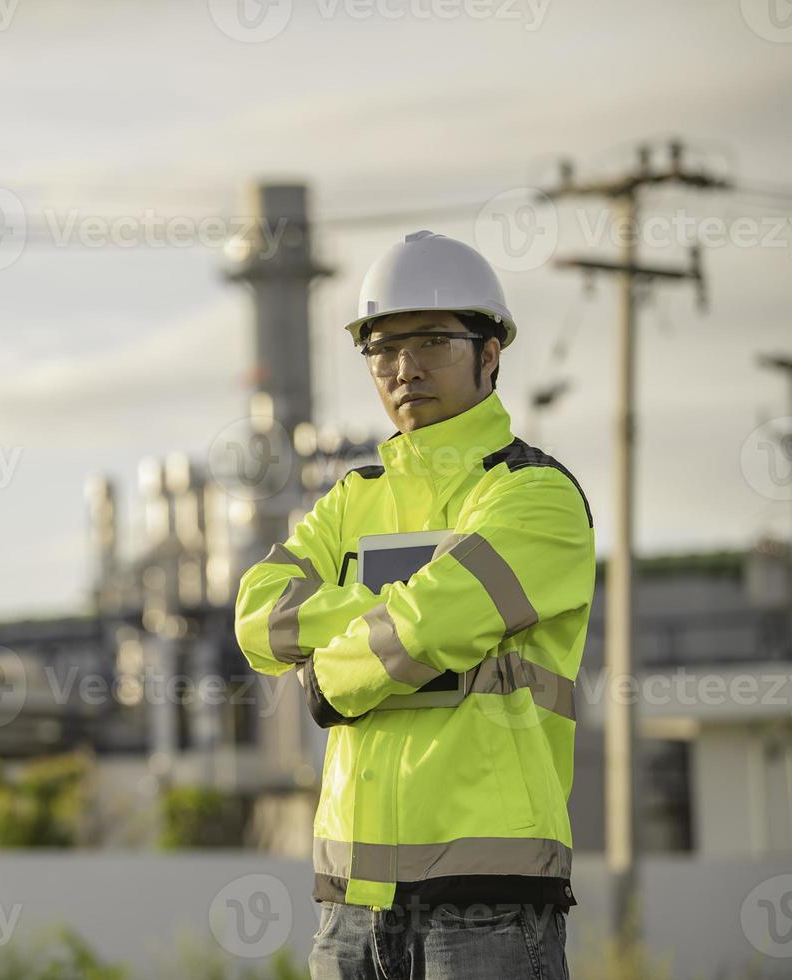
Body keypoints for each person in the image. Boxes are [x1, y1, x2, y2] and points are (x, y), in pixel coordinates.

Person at [233, 230, 596, 979]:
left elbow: (430, 625)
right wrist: (392, 615)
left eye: (432, 340)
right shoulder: (351, 498)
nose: (404, 368)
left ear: (489, 353)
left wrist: (329, 677)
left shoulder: (534, 496)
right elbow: (259, 618)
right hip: (347, 909)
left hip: (487, 902)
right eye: (382, 348)